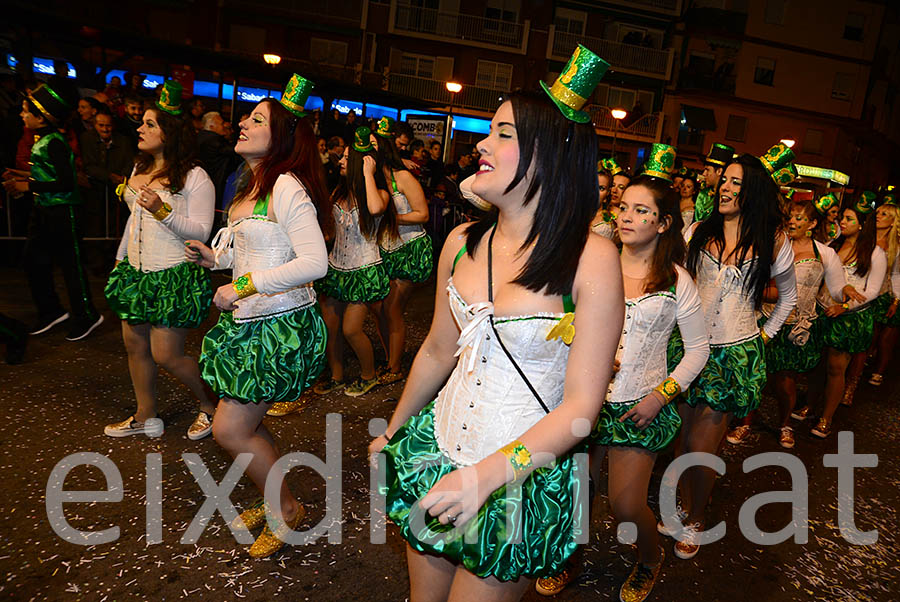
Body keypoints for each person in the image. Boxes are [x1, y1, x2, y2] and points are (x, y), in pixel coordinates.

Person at [370, 45, 622, 602]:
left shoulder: (592, 259)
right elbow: (438, 349)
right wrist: (391, 429)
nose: (482, 143)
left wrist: (484, 477)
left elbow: (583, 409)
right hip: (435, 452)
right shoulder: (460, 243)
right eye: (489, 130)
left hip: (516, 478)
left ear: (547, 154)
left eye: (503, 132)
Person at [537, 150, 710, 599]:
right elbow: (560, 323)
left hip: (639, 404)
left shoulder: (677, 281)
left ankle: (650, 558)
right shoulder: (594, 264)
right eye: (623, 207)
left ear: (664, 223)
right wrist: (577, 342)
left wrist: (661, 395)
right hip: (582, 396)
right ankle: (570, 558)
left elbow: (697, 351)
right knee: (574, 495)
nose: (626, 217)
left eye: (641, 210)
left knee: (626, 504)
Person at [184, 74, 331, 557]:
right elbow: (254, 248)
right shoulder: (249, 184)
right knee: (244, 424)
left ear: (282, 137)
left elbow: (314, 263)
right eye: (247, 116)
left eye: (258, 119)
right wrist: (216, 258)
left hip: (278, 328)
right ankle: (278, 501)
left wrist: (243, 284)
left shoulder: (287, 186)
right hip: (248, 323)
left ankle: (287, 511)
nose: (243, 122)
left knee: (230, 428)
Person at [670, 144, 798, 560]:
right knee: (681, 440)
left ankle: (695, 518)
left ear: (752, 191)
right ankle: (683, 504)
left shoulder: (774, 240)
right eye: (723, 180)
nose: (724, 187)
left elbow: (789, 298)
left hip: (732, 355)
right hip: (687, 347)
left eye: (734, 182)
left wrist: (764, 335)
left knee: (702, 447)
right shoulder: (697, 232)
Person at [103, 81, 217, 439]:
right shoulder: (138, 169)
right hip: (136, 275)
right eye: (143, 123)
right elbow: (133, 224)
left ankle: (212, 405)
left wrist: (163, 210)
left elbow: (201, 230)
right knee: (134, 346)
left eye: (150, 124)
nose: (140, 127)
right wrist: (120, 262)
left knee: (166, 354)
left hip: (172, 275)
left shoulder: (196, 177)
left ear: (170, 133)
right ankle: (146, 415)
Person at [729, 199, 846, 448]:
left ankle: (785, 425)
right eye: (791, 216)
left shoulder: (825, 253)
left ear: (813, 224)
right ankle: (745, 423)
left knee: (784, 382)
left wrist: (846, 301)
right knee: (754, 375)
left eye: (800, 218)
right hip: (761, 319)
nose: (793, 221)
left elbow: (835, 291)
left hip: (793, 326)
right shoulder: (773, 245)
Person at [2, 76, 104, 341]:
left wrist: (28, 187)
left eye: (27, 111)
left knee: (72, 267)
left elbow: (66, 182)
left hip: (64, 212)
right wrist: (22, 177)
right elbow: (47, 176)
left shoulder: (55, 142)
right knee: (33, 261)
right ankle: (51, 310)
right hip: (44, 211)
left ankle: (87, 315)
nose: (22, 115)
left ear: (43, 117)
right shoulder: (42, 139)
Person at [314, 127, 390, 397]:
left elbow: (375, 209)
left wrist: (369, 173)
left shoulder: (379, 192)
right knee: (331, 328)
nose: (341, 161)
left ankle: (369, 375)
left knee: (351, 329)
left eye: (347, 158)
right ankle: (337, 376)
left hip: (363, 269)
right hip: (337, 268)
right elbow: (330, 233)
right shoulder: (338, 193)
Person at [807, 193, 885, 438]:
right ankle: (810, 403)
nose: (842, 221)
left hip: (849, 317)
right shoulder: (834, 245)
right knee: (816, 364)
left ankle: (826, 418)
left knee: (835, 368)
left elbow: (872, 291)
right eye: (842, 217)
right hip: (822, 311)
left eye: (849, 219)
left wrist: (845, 306)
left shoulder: (875, 253)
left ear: (862, 224)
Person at [371, 116, 433, 383]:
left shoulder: (403, 176)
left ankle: (395, 369)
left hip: (409, 249)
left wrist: (392, 219)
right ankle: (389, 359)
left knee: (393, 309)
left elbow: (423, 214)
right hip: (385, 249)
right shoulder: (375, 179)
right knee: (378, 307)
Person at [867, 193, 900, 385]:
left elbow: (896, 275)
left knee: (882, 339)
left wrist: (896, 300)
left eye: (885, 214)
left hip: (884, 295)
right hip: (861, 293)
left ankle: (878, 371)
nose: (878, 216)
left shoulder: (896, 247)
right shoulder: (865, 238)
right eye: (878, 212)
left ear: (894, 221)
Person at [693, 143, 734, 223]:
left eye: (707, 170)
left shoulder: (728, 198)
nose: (704, 174)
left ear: (719, 171)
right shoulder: (703, 194)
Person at [591, 163, 615, 239]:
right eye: (592, 186)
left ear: (608, 193)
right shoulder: (573, 212)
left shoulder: (606, 225)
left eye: (601, 188)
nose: (595, 191)